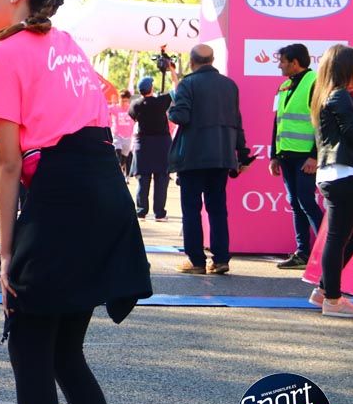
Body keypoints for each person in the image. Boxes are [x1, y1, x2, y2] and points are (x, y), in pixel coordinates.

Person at [0, 0, 150, 404]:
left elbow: (6, 164)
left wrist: (6, 255)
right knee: (66, 356)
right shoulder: (68, 45)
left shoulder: (5, 54)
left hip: (63, 199)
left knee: (31, 357)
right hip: (103, 195)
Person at [168, 44, 250, 275]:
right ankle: (221, 259)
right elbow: (237, 121)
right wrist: (242, 153)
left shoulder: (188, 84)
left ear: (192, 62)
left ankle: (196, 261)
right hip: (222, 156)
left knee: (191, 209)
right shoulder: (229, 85)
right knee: (217, 209)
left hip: (193, 156)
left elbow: (181, 116)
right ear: (212, 60)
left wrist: (171, 109)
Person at [307, 44, 353, 317]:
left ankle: (324, 290)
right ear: (346, 68)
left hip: (339, 173)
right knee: (338, 237)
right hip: (341, 173)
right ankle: (332, 299)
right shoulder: (339, 96)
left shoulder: (330, 94)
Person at [269, 43, 323, 270]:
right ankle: (302, 253)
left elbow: (322, 122)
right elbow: (278, 121)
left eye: (282, 61)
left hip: (305, 157)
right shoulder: (284, 86)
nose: (279, 66)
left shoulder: (315, 82)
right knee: (296, 203)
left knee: (306, 201)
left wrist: (314, 155)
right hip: (286, 155)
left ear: (294, 62)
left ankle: (328, 254)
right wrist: (274, 155)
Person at [129, 68, 177, 221]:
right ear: (151, 88)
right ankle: (159, 213)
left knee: (143, 179)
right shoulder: (161, 102)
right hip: (161, 144)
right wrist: (171, 70)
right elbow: (177, 89)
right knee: (161, 179)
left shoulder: (135, 104)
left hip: (143, 144)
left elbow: (133, 118)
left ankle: (141, 211)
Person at [111, 90, 135, 177]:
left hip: (128, 137)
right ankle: (116, 172)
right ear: (119, 99)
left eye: (126, 101)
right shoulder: (115, 108)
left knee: (124, 157)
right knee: (118, 151)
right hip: (117, 135)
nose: (123, 103)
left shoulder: (131, 108)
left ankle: (121, 171)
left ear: (128, 100)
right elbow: (104, 110)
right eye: (122, 101)